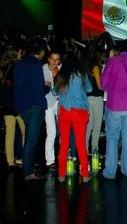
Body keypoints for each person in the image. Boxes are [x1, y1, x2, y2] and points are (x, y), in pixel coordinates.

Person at [14, 38, 51, 181]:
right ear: (40, 52)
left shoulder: (20, 63)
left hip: (22, 106)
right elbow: (39, 89)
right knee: (31, 138)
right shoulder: (35, 65)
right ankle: (28, 170)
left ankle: (28, 166)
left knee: (29, 137)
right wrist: (47, 86)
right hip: (35, 106)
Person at [53, 55, 92, 183]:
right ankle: (85, 175)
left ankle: (61, 175)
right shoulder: (81, 74)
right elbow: (90, 88)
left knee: (64, 144)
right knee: (81, 144)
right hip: (79, 112)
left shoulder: (61, 75)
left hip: (64, 112)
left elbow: (54, 92)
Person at [100, 40, 127, 179]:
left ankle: (110, 172)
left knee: (112, 138)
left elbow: (103, 85)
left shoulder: (112, 61)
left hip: (114, 105)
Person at [42, 51, 61, 171]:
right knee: (51, 132)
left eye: (57, 59)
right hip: (48, 103)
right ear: (48, 58)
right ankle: (50, 160)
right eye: (52, 59)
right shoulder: (42, 69)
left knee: (63, 131)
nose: (54, 61)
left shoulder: (60, 70)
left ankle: (63, 156)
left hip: (60, 103)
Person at [85, 48, 104, 153]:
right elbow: (99, 85)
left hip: (87, 98)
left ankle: (85, 149)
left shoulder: (86, 68)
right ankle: (94, 150)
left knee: (89, 125)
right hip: (96, 99)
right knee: (97, 126)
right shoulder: (96, 67)